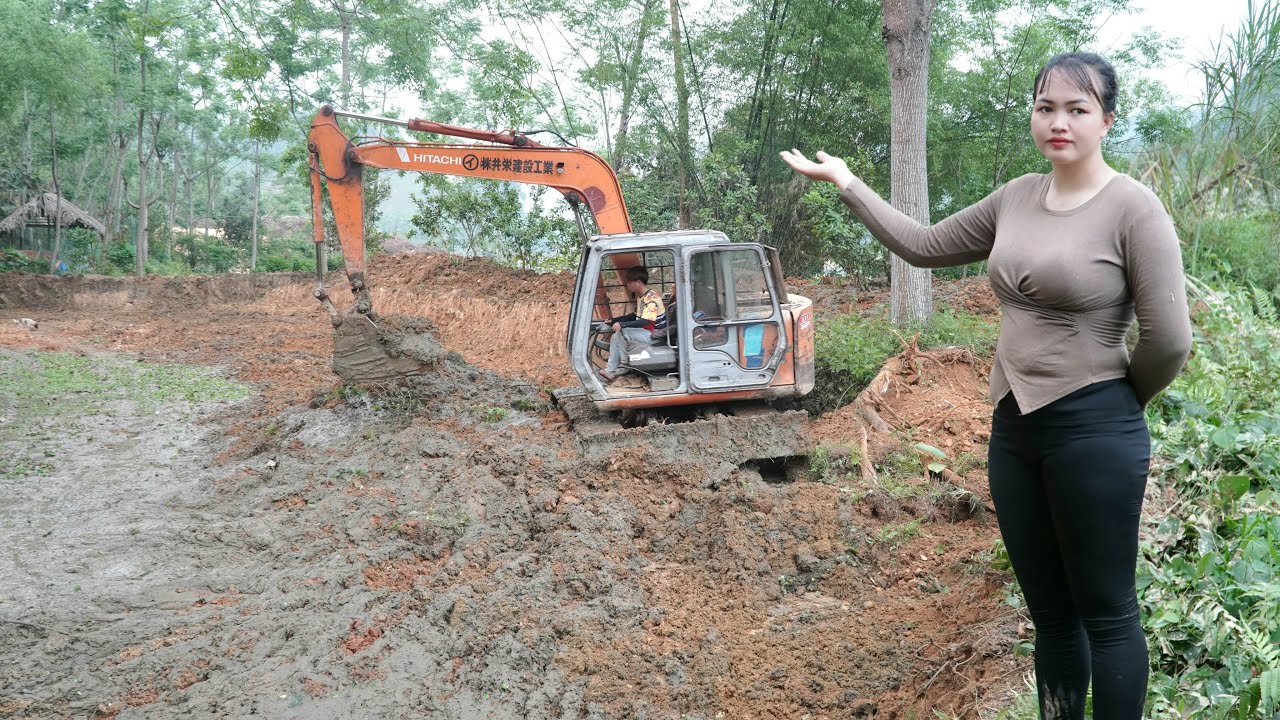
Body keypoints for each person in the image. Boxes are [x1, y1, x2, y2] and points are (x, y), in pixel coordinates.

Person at [781, 52, 1192, 720]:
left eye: (1077, 109)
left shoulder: (1133, 210)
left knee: (1108, 615)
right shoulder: (1016, 198)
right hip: (1014, 430)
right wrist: (849, 182)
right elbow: (921, 244)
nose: (1058, 121)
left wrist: (1120, 404)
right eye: (1045, 106)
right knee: (1052, 618)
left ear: (1107, 120)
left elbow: (1169, 339)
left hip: (1095, 431)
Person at [600, 267, 666, 382]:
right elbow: (634, 316)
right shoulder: (642, 297)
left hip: (655, 335)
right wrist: (614, 320)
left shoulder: (651, 298)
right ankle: (610, 371)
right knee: (617, 335)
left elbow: (646, 321)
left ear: (639, 282)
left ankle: (625, 365)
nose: (628, 285)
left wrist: (623, 325)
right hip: (647, 332)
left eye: (630, 282)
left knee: (622, 332)